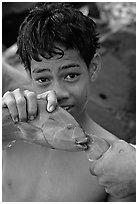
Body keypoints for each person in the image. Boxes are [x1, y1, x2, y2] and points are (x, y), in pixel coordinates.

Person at [2, 2, 136, 202]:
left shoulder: (115, 164)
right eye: (43, 79)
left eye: (71, 75)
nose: (57, 92)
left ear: (93, 67)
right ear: (29, 75)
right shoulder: (10, 128)